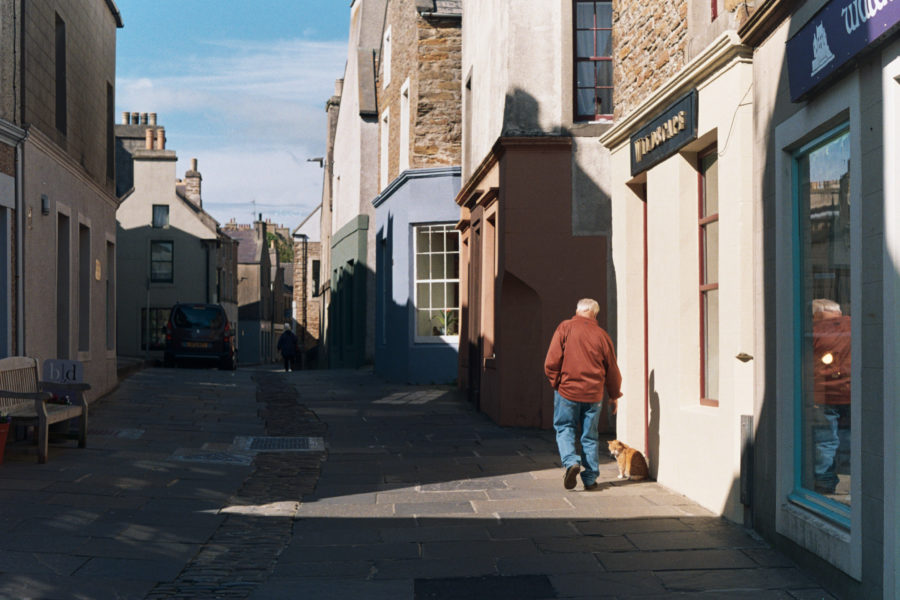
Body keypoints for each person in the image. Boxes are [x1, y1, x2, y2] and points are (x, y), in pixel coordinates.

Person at [544, 298, 622, 491]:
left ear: (577, 311)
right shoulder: (602, 335)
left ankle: (571, 462)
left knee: (564, 429)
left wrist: (558, 384)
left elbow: (551, 362)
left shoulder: (565, 328)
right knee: (590, 436)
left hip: (567, 391)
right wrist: (613, 395)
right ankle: (590, 478)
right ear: (595, 314)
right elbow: (612, 368)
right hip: (594, 395)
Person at [811, 298, 851, 494]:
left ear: (817, 315)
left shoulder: (814, 332)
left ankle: (825, 483)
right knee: (851, 439)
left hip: (823, 396)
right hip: (852, 393)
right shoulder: (853, 326)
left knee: (825, 441)